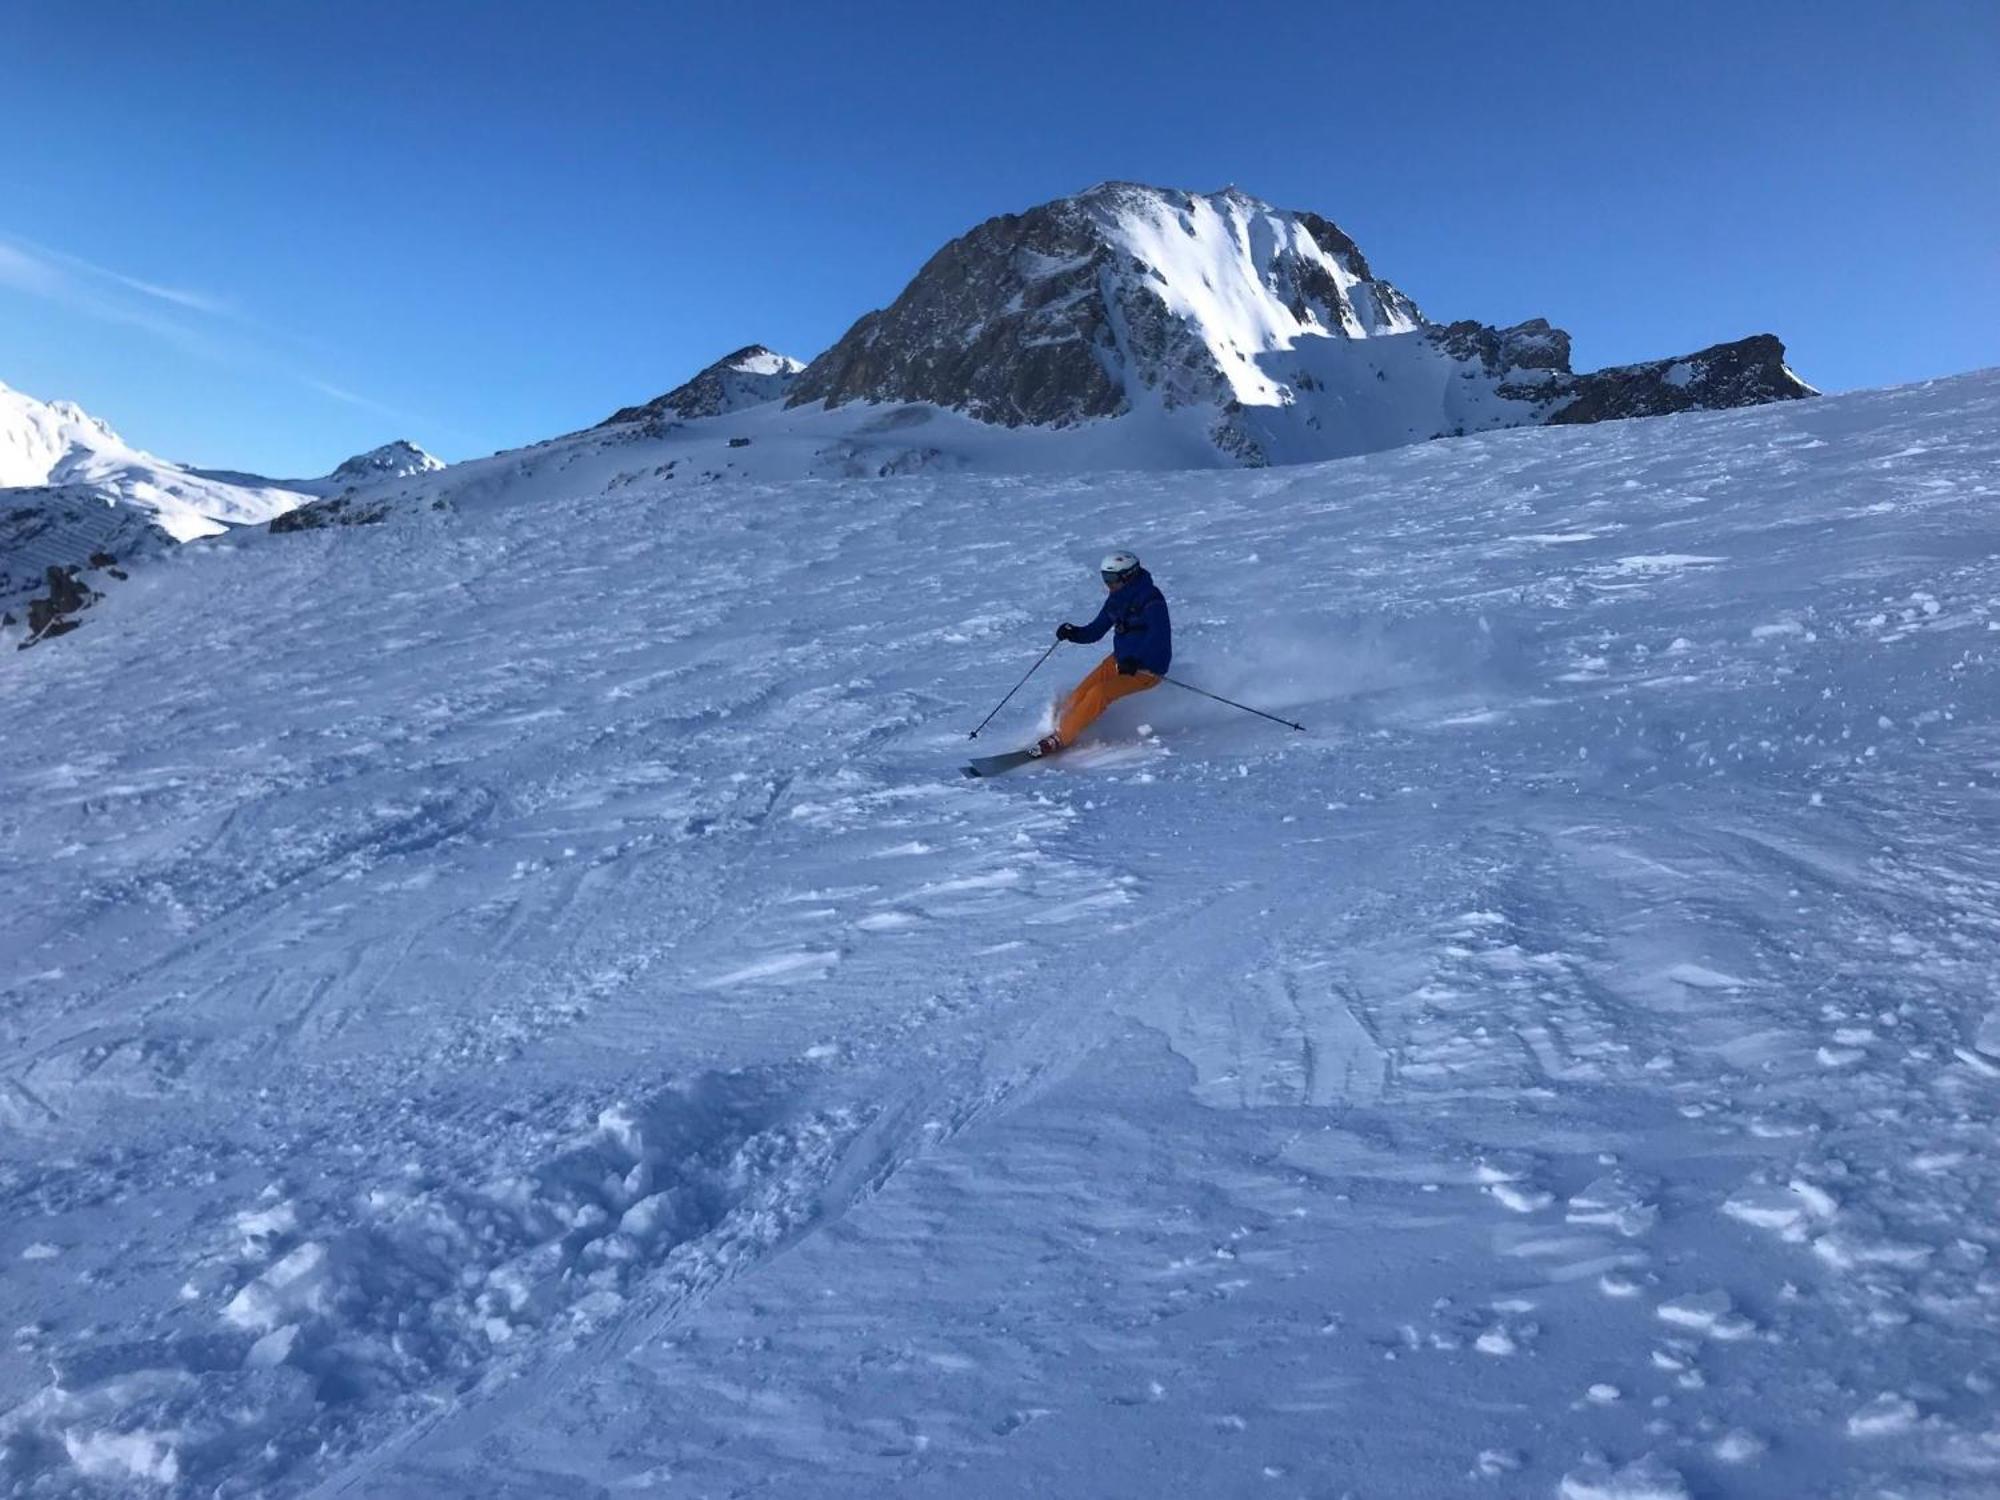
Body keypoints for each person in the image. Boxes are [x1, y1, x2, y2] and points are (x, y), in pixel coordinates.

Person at [1035, 551, 1172, 756]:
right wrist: (1074, 633)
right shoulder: (1116, 599)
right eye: (1105, 578)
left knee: (1099, 693)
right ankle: (1060, 725)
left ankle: (1060, 738)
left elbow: (1159, 636)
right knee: (1080, 694)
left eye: (1112, 579)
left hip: (1145, 668)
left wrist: (1137, 660)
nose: (1108, 584)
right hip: (1119, 661)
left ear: (1128, 575)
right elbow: (1095, 631)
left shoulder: (1151, 599)